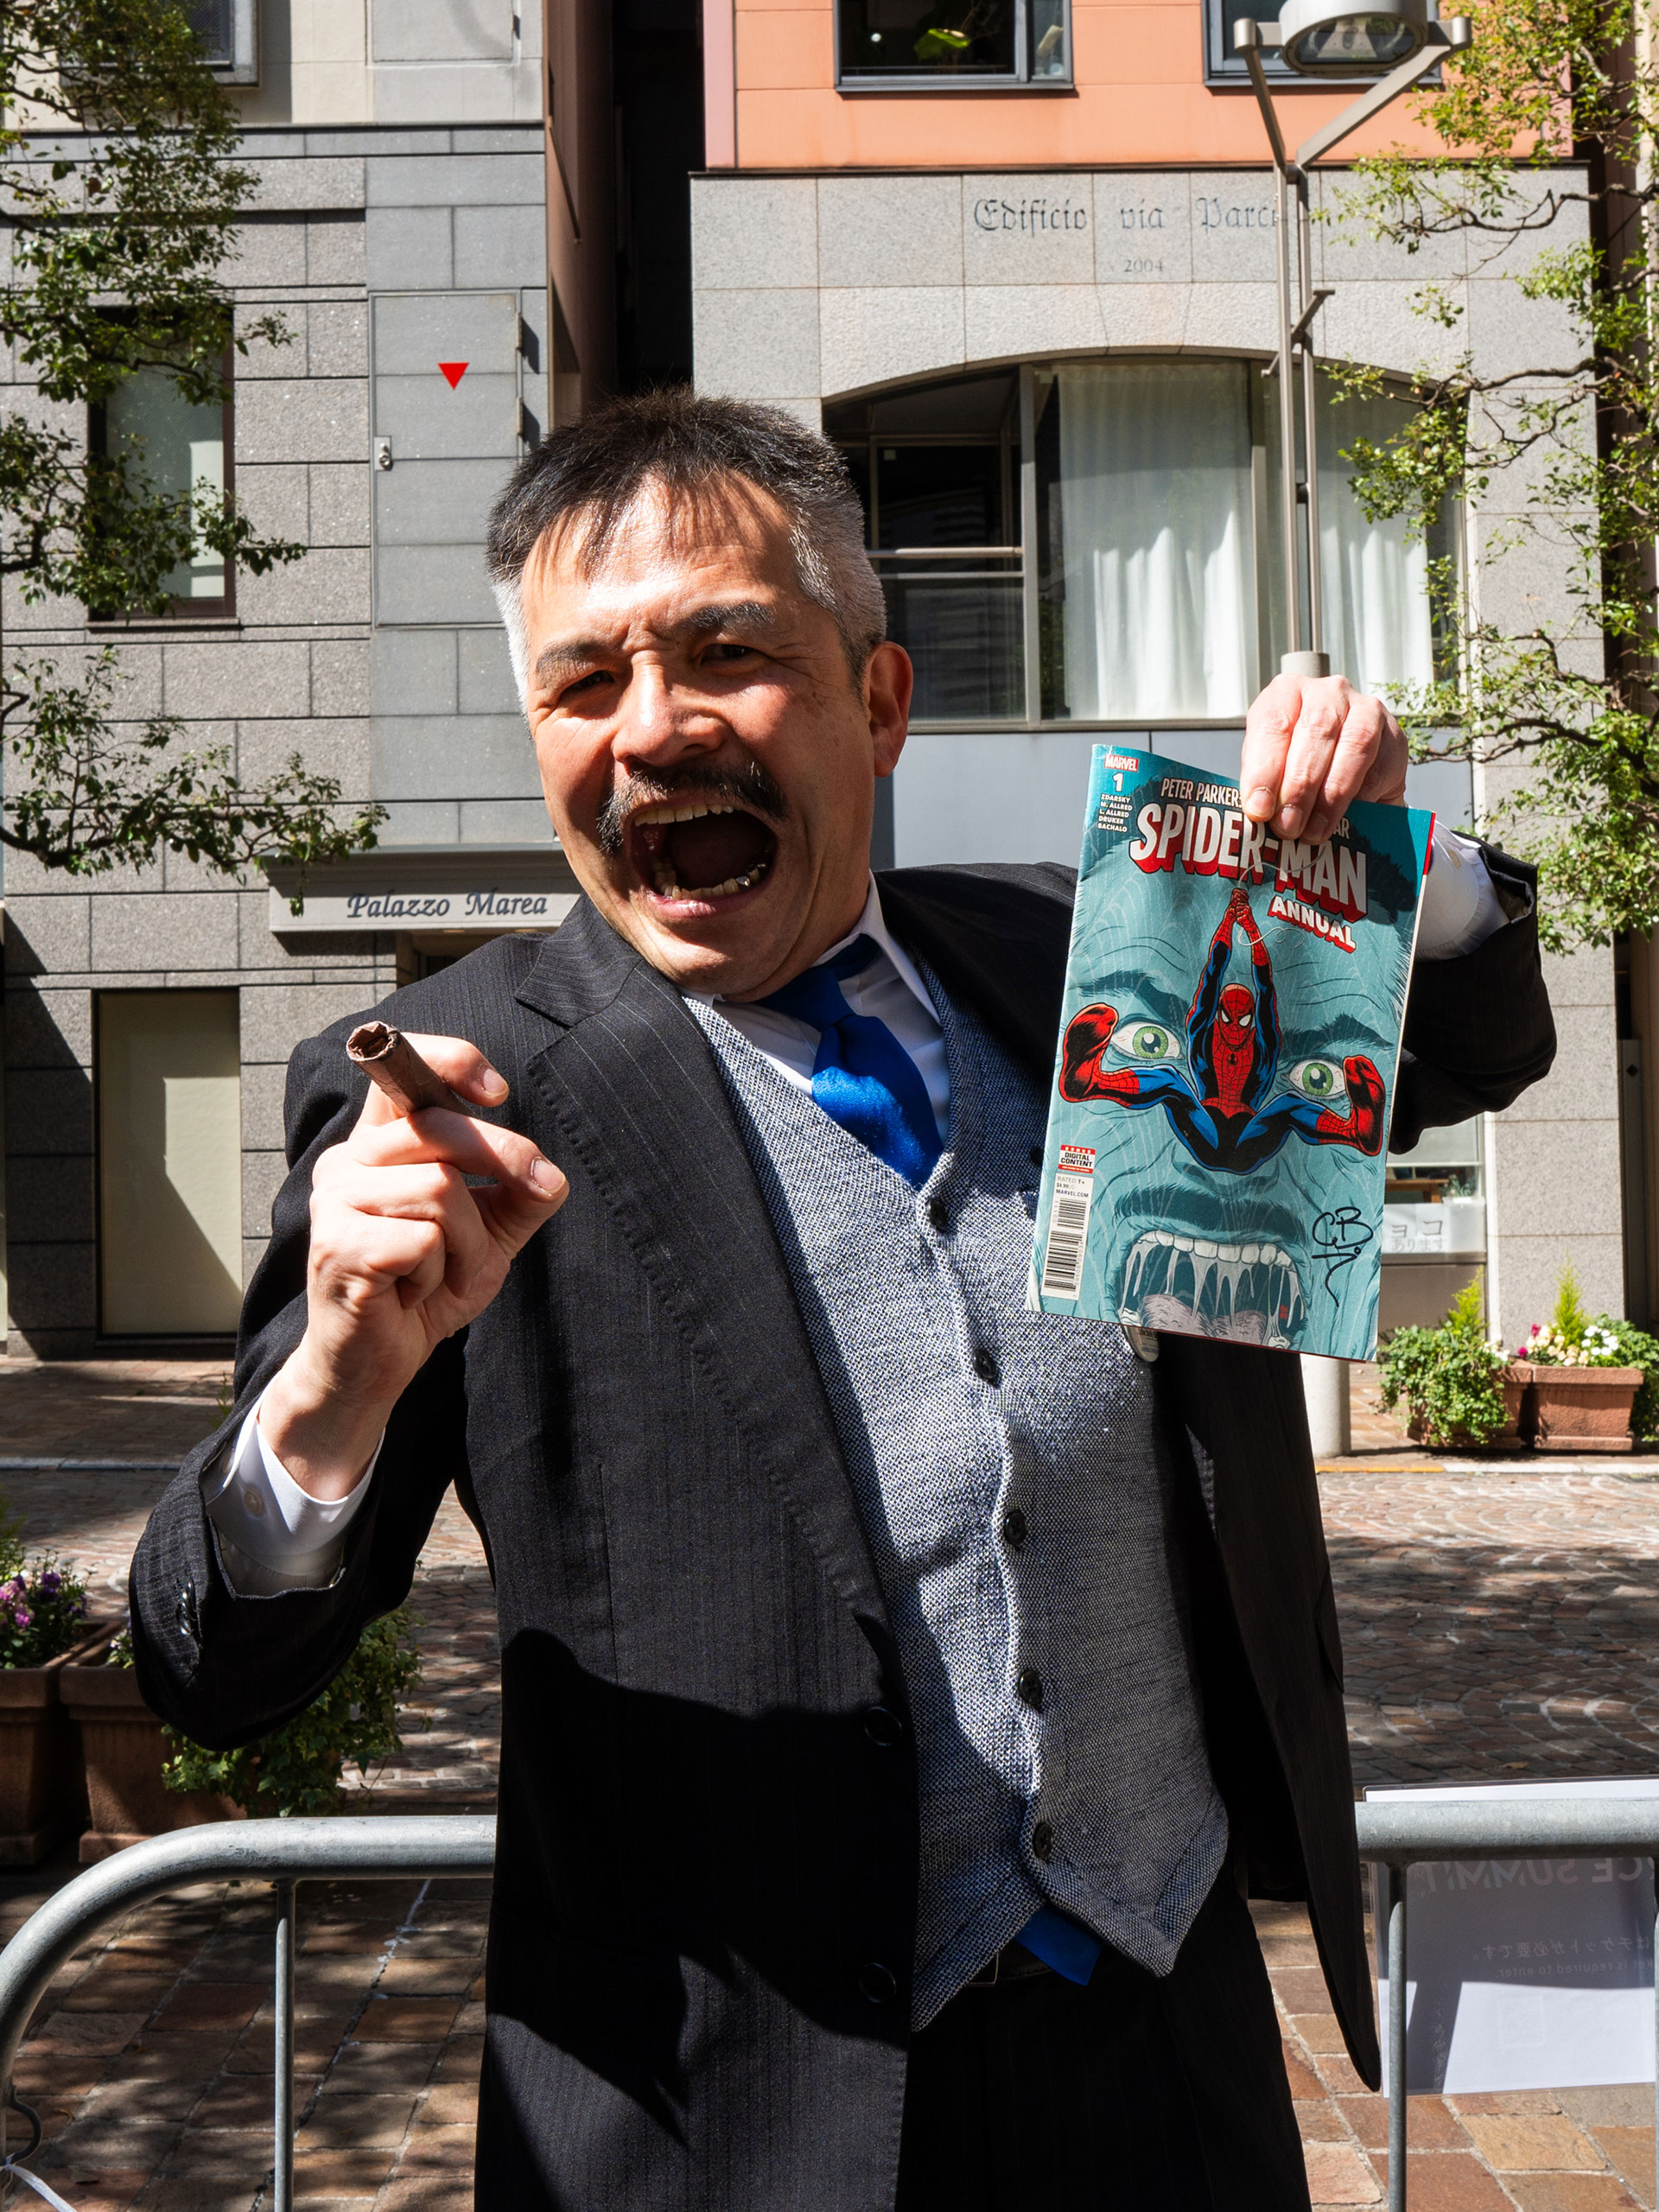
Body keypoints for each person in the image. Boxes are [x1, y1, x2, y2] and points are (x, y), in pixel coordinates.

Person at [130, 392, 1554, 2211]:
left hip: (1165, 2046)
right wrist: (332, 1388)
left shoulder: (1097, 952)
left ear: (880, 703)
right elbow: (214, 1665)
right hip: (735, 2124)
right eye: (585, 683)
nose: (657, 724)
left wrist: (1392, 857)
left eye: (729, 652)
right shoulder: (448, 1093)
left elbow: (1475, 1043)